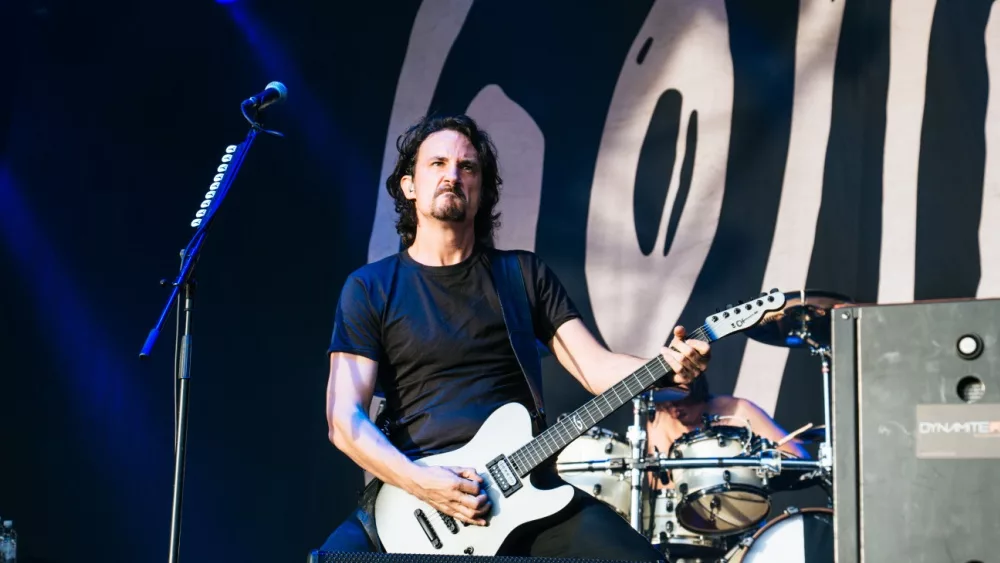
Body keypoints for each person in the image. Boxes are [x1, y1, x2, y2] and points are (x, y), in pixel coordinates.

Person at [318, 114, 711, 559]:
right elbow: (344, 420)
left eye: (468, 167)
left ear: (483, 192)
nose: (453, 175)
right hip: (414, 503)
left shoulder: (521, 275)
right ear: (409, 185)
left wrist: (666, 367)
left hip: (525, 490)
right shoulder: (370, 288)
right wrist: (422, 483)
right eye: (438, 163)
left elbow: (596, 367)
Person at [645, 374, 810, 488]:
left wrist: (755, 467)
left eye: (679, 400)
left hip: (741, 511)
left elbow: (798, 459)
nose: (674, 411)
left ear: (697, 390)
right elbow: (659, 486)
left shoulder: (738, 410)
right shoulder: (661, 419)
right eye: (666, 403)